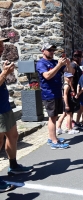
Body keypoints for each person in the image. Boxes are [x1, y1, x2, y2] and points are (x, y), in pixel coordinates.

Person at [0, 37, 33, 192]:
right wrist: (5, 73)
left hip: (4, 107)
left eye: (2, 44)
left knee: (13, 135)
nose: (2, 47)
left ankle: (13, 166)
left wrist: (5, 72)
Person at [36, 43, 72, 149]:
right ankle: (54, 141)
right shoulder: (41, 63)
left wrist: (68, 64)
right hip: (49, 93)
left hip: (56, 92)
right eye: (49, 50)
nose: (52, 52)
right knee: (52, 118)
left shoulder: (55, 62)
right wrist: (59, 65)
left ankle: (52, 137)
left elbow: (68, 72)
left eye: (53, 50)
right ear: (43, 51)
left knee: (55, 116)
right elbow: (47, 76)